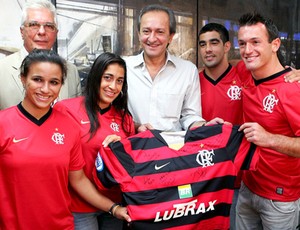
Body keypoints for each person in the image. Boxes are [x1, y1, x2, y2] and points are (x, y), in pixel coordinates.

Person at [0, 49, 130, 230]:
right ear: (23, 78)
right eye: (37, 79)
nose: (45, 89)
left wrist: (113, 208)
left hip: (62, 224)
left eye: (54, 82)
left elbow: (78, 179)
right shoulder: (3, 123)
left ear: (61, 85)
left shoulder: (69, 126)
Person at [55, 52, 135, 229]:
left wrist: (120, 149)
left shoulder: (124, 118)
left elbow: (129, 165)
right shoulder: (66, 110)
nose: (113, 86)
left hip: (115, 203)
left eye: (119, 81)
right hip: (79, 205)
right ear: (95, 77)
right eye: (108, 78)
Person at [236, 12, 300, 230]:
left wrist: (269, 138)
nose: (247, 50)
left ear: (275, 44)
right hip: (247, 188)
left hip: (280, 198)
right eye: (242, 43)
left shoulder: (292, 89)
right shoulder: (246, 72)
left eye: (256, 42)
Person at [124, 4, 208, 132]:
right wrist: (135, 127)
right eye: (146, 31)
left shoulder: (187, 71)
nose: (152, 38)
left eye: (160, 32)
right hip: (132, 146)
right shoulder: (124, 67)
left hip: (172, 148)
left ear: (171, 36)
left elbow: (190, 116)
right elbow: (112, 112)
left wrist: (206, 127)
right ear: (138, 34)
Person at [198, 22, 244, 230]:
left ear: (226, 47)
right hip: (202, 178)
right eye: (203, 44)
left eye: (214, 43)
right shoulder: (192, 81)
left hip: (237, 180)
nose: (207, 49)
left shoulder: (244, 75)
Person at [0, 0, 81, 110]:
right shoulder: (2, 70)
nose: (42, 32)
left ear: (56, 33)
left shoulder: (71, 71)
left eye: (49, 26)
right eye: (34, 25)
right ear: (22, 32)